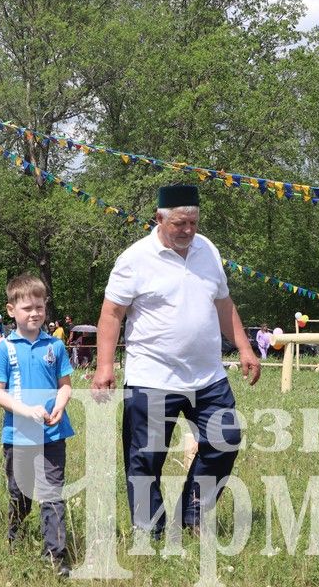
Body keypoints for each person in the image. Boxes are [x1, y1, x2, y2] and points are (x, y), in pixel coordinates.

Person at [92, 184, 260, 538]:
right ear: (159, 219)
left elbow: (224, 304)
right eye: (180, 223)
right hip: (152, 376)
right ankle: (150, 532)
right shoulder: (134, 259)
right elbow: (111, 313)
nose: (188, 230)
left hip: (207, 376)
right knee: (145, 459)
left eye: (193, 223)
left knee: (225, 438)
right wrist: (104, 366)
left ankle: (194, 513)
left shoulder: (208, 250)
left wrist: (244, 348)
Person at [0, 274, 73, 577]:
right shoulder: (5, 348)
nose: (34, 313)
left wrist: (61, 404)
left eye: (40, 306)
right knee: (20, 493)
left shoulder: (56, 346)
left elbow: (65, 385)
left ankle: (56, 556)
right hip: (18, 434)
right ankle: (15, 534)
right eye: (27, 308)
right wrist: (24, 409)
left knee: (52, 493)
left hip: (53, 432)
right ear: (11, 310)